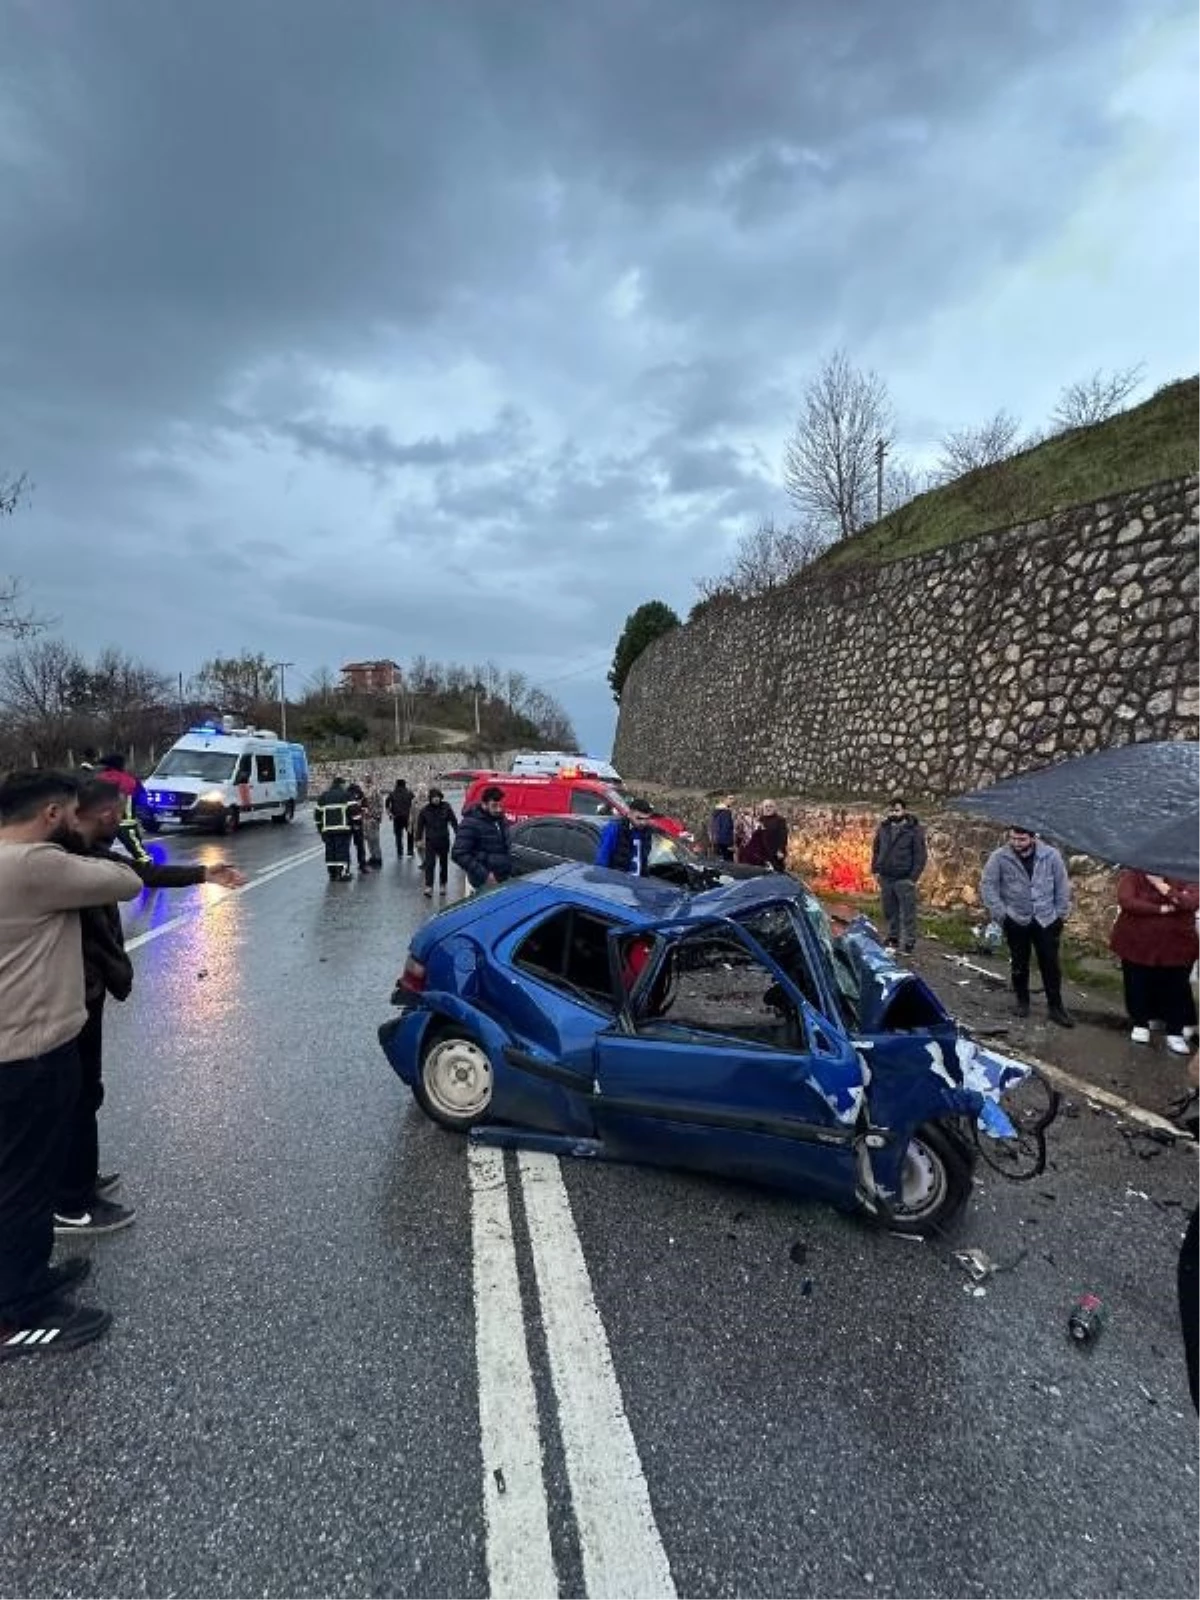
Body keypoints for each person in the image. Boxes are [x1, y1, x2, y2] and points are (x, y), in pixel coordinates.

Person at [52, 780, 246, 1238]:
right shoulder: (66, 861)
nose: (123, 820)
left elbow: (142, 872)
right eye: (118, 812)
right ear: (103, 814)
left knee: (86, 1093)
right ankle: (69, 1203)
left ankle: (79, 1181)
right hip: (69, 993)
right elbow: (134, 878)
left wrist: (204, 875)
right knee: (73, 1098)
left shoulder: (92, 852)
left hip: (88, 991)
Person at [0, 770, 143, 1360]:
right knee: (22, 1187)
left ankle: (29, 1278)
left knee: (22, 1181)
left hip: (15, 1047)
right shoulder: (35, 865)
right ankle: (19, 1314)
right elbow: (127, 879)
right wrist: (80, 839)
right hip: (28, 1052)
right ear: (55, 814)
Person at [980, 826, 1074, 1028]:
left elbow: (1062, 885)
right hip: (1016, 918)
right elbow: (988, 886)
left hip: (1046, 919)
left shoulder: (1051, 856)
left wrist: (1060, 914)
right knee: (1019, 963)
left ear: (1033, 838)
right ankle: (1022, 1002)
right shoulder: (999, 857)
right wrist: (1001, 914)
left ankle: (1056, 1007)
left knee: (1050, 965)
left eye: (1021, 839)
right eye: (1013, 838)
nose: (1016, 843)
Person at [1109, 870, 1200, 1056]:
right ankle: (1140, 1023)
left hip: (1177, 944)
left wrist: (1161, 886)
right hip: (1136, 941)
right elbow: (1127, 901)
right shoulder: (1135, 873)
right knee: (1137, 982)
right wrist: (1162, 908)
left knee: (1176, 988)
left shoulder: (1191, 875)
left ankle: (1175, 1031)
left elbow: (1189, 903)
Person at [871, 797, 928, 953]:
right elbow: (876, 850)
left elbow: (920, 855)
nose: (894, 813)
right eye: (891, 810)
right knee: (889, 910)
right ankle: (893, 937)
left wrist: (913, 878)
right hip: (886, 876)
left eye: (897, 810)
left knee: (908, 912)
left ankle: (909, 941)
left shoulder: (914, 830)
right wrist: (875, 869)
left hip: (904, 877)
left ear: (904, 811)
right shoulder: (883, 828)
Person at [453, 785, 512, 894]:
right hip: (483, 883)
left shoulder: (500, 820)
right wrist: (485, 875)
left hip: (502, 878)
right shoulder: (470, 823)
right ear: (484, 804)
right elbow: (458, 854)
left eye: (500, 805)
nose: (499, 809)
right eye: (494, 806)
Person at [96, 752, 149, 862]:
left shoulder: (99, 778)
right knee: (139, 853)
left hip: (103, 822)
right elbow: (143, 799)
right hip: (126, 824)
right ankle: (148, 872)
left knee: (98, 851)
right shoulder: (131, 780)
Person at [415, 787, 458, 898]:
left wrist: (459, 834)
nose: (436, 799)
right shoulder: (425, 810)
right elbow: (419, 826)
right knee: (430, 864)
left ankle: (443, 884)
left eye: (437, 797)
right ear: (430, 798)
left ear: (440, 797)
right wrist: (418, 839)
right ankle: (429, 886)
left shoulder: (446, 807)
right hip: (430, 842)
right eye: (434, 797)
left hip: (443, 840)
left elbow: (453, 821)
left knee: (443, 864)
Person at [596, 797, 657, 876]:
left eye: (646, 819)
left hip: (638, 884)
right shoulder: (615, 829)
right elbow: (602, 860)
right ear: (629, 814)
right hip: (617, 882)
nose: (643, 822)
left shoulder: (646, 833)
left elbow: (644, 861)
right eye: (639, 818)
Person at [314, 776, 357, 882]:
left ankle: (332, 874)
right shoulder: (346, 795)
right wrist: (356, 825)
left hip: (327, 830)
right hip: (342, 829)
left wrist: (320, 829)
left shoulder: (323, 797)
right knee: (342, 851)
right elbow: (354, 812)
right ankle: (342, 874)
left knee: (330, 852)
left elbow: (317, 815)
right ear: (341, 784)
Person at [359, 774, 385, 869]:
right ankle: (373, 857)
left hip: (373, 818)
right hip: (364, 818)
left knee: (375, 839)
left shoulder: (375, 790)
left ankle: (378, 858)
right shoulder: (362, 790)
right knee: (368, 839)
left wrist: (377, 816)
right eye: (365, 778)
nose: (367, 780)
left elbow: (380, 804)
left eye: (368, 778)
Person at [386, 777, 415, 858]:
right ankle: (410, 851)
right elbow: (414, 802)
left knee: (398, 836)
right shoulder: (409, 792)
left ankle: (400, 852)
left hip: (397, 817)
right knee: (410, 834)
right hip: (408, 816)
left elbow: (387, 804)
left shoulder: (392, 793)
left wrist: (390, 814)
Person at [758, 800, 789, 873]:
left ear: (775, 808)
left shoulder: (780, 820)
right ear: (763, 808)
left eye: (770, 806)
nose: (768, 808)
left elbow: (783, 836)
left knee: (777, 872)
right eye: (766, 806)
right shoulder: (760, 819)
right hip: (762, 853)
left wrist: (780, 850)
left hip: (776, 853)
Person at [345, 779, 369, 873]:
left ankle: (346, 867)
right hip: (357, 823)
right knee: (360, 845)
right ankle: (362, 865)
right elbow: (365, 807)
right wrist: (363, 811)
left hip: (347, 823)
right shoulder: (360, 794)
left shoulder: (345, 794)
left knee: (346, 846)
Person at [709, 797, 735, 862]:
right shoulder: (726, 812)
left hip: (717, 840)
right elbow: (727, 828)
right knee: (728, 863)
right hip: (725, 842)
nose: (733, 800)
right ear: (724, 800)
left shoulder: (716, 812)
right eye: (730, 798)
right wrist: (730, 844)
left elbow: (713, 826)